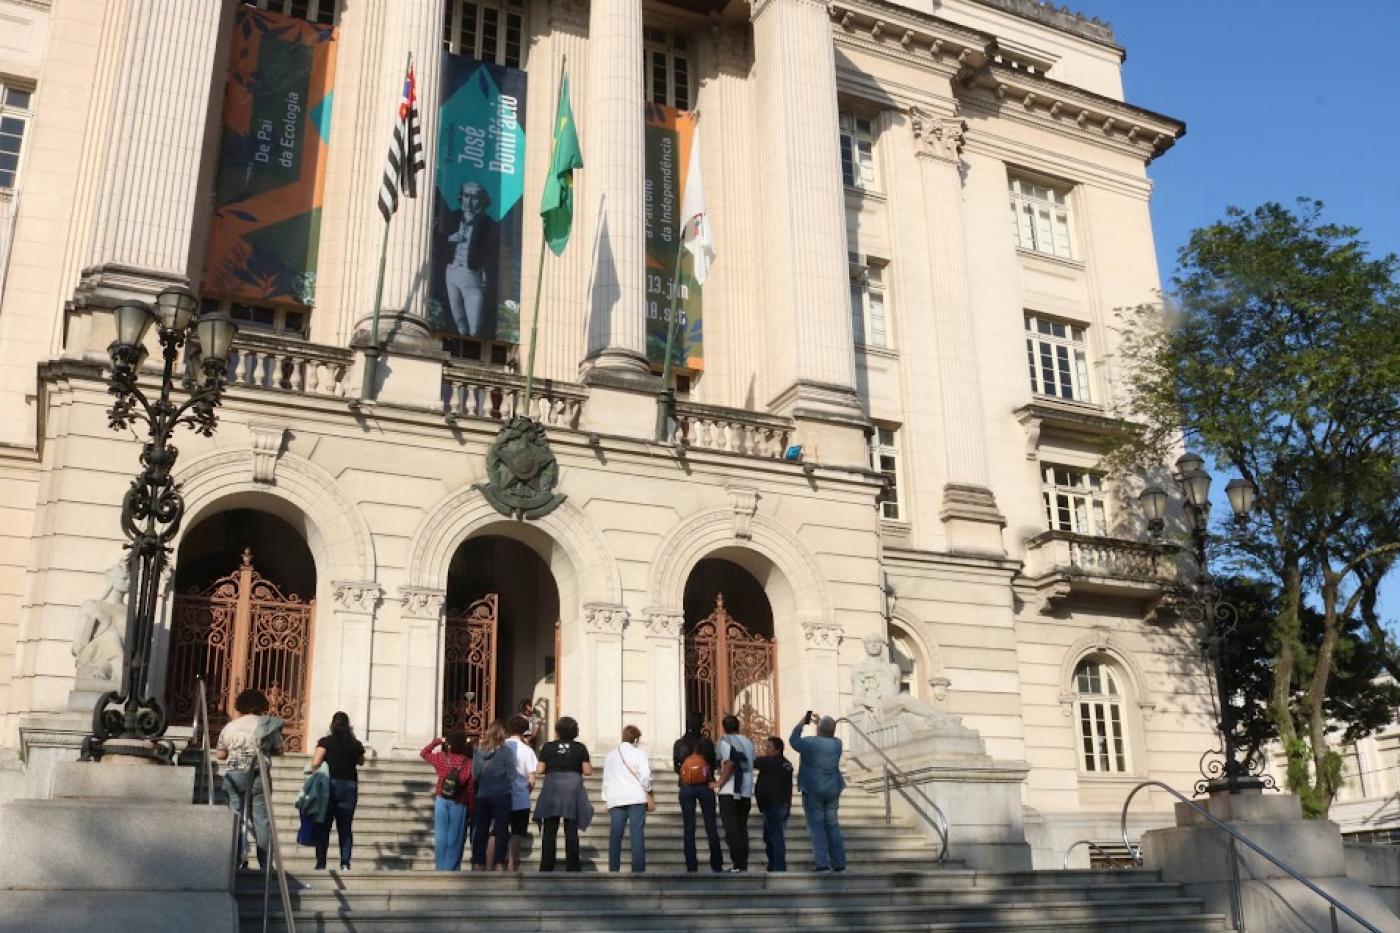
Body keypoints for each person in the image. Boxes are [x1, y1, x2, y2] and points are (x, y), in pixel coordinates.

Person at [216, 688, 284, 869]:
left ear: (240, 705)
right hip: (260, 773)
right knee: (261, 819)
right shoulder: (268, 725)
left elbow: (221, 754)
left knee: (235, 816)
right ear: (262, 705)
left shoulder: (230, 726)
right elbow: (279, 749)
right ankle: (265, 864)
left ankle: (237, 859)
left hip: (235, 774)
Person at [533, 716, 594, 872]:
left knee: (550, 829)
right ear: (575, 731)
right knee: (571, 828)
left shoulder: (548, 746)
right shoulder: (580, 747)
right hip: (572, 788)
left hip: (553, 786)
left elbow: (539, 769)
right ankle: (573, 866)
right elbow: (587, 771)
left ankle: (546, 866)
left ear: (558, 730)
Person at [790, 712, 847, 872]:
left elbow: (793, 741)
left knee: (817, 827)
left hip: (813, 789)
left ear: (818, 730)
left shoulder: (809, 743)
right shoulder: (838, 744)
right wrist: (821, 725)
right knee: (833, 826)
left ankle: (822, 863)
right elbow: (828, 733)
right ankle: (839, 863)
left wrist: (802, 722)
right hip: (833, 789)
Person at [441, 181, 499, 337]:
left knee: (475, 324)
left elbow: (493, 252)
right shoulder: (451, 217)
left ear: (481, 201)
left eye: (474, 197)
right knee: (457, 316)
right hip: (451, 271)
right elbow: (435, 240)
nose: (469, 201)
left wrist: (485, 272)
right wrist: (449, 239)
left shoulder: (489, 224)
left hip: (473, 274)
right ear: (461, 197)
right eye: (466, 196)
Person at [309, 711, 365, 871]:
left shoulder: (325, 742)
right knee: (345, 827)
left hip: (328, 786)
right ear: (348, 726)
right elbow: (361, 762)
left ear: (332, 725)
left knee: (323, 826)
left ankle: (321, 863)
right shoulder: (355, 744)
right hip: (349, 787)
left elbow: (315, 763)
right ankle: (345, 862)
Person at [672, 711, 723, 873]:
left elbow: (676, 767)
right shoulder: (706, 743)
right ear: (701, 724)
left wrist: (687, 774)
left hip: (686, 787)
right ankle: (716, 863)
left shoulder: (679, 743)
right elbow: (714, 764)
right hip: (705, 786)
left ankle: (691, 865)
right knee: (711, 826)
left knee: (689, 827)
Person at [601, 724, 653, 873]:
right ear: (635, 739)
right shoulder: (639, 754)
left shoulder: (611, 755)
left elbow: (607, 778)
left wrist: (606, 798)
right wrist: (648, 789)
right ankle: (638, 869)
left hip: (616, 799)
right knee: (637, 834)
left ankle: (614, 868)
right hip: (636, 798)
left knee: (616, 834)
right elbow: (646, 776)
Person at [421, 732, 475, 871]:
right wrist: (471, 809)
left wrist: (437, 741)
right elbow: (470, 789)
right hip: (459, 801)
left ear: (449, 745)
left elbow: (424, 753)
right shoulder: (469, 763)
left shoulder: (441, 758)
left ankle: (440, 868)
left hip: (441, 798)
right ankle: (450, 868)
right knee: (455, 838)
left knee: (441, 836)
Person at [471, 720, 518, 871]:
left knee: (481, 829)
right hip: (502, 794)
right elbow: (512, 774)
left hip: (483, 794)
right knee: (501, 830)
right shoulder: (506, 751)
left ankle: (478, 862)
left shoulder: (479, 750)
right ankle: (498, 862)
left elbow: (475, 774)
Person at [714, 714, 756, 872]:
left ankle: (738, 863)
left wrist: (719, 782)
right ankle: (742, 863)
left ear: (724, 727)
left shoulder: (725, 741)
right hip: (745, 791)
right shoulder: (749, 742)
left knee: (731, 829)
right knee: (741, 828)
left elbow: (730, 762)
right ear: (738, 726)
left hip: (730, 790)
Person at [503, 714, 538, 871]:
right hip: (520, 797)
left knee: (495, 831)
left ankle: (493, 863)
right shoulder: (527, 750)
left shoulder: (500, 746)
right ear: (524, 730)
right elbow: (532, 777)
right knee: (517, 832)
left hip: (500, 795)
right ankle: (512, 864)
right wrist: (527, 789)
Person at [754, 736, 794, 872]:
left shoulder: (773, 762)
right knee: (771, 837)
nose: (766, 750)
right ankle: (774, 864)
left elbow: (754, 762)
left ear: (778, 750)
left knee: (775, 837)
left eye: (769, 747)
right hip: (780, 804)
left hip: (774, 804)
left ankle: (778, 867)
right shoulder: (787, 764)